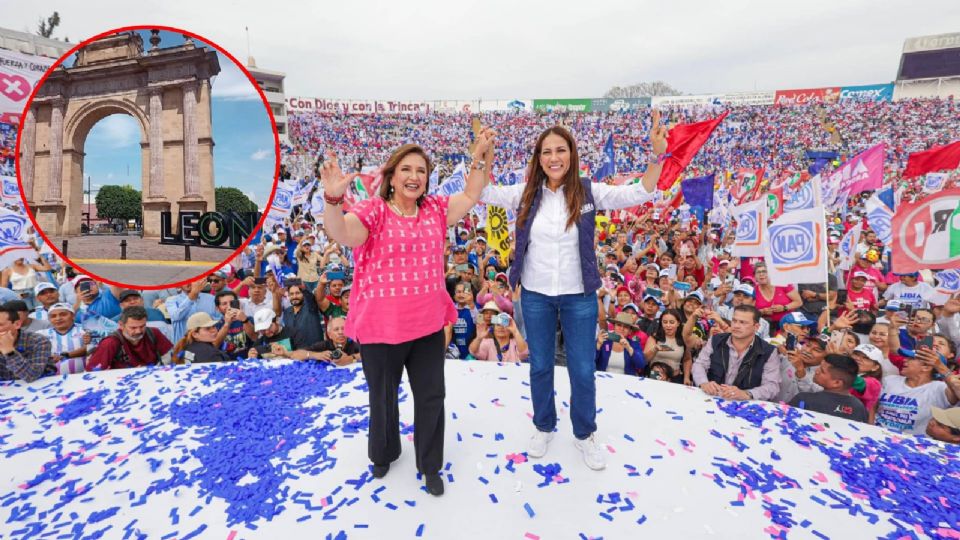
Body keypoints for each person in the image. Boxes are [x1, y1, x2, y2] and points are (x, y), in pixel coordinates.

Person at [478, 113, 666, 471]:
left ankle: (584, 433)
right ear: (538, 157)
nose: (553, 157)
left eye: (560, 150)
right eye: (546, 151)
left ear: (572, 154)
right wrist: (484, 156)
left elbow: (641, 192)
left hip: (579, 295)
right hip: (535, 294)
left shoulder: (588, 191)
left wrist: (656, 156)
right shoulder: (524, 193)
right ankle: (544, 425)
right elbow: (483, 191)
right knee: (540, 365)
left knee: (581, 368)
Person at [321, 131, 495, 495]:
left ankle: (430, 465)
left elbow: (471, 194)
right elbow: (343, 233)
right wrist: (334, 199)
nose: (414, 176)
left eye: (421, 170)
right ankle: (383, 453)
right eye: (406, 169)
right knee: (382, 397)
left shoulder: (434, 209)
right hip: (381, 329)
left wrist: (480, 158)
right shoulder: (375, 210)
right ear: (392, 175)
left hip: (428, 326)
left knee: (431, 396)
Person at [692, 305, 782, 401]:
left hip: (744, 406)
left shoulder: (768, 351)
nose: (736, 326)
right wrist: (704, 383)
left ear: (756, 327)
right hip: (712, 398)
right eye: (734, 321)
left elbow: (772, 385)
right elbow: (699, 364)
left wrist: (747, 393)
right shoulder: (716, 340)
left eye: (743, 322)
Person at [875, 347, 960, 436]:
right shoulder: (889, 380)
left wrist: (940, 367)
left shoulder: (940, 389)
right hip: (876, 435)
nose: (905, 360)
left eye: (911, 359)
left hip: (911, 445)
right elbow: (872, 406)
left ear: (926, 367)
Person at [85, 306, 174, 371]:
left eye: (142, 326)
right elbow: (92, 372)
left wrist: (157, 369)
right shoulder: (110, 343)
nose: (139, 331)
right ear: (121, 325)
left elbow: (169, 356)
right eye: (133, 328)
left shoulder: (153, 332)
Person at [789, 354, 869, 423]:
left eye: (822, 371)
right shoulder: (860, 408)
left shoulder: (803, 399)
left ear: (837, 383)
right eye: (819, 367)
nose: (816, 371)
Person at [0, 302, 55, 382]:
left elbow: (31, 376)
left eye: (0, 325)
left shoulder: (39, 341)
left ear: (17, 324)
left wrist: (9, 352)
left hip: (41, 387)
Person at [36, 303, 91, 375]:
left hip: (84, 377)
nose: (58, 318)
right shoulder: (41, 334)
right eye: (53, 316)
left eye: (63, 314)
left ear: (73, 316)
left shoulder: (85, 329)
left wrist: (65, 355)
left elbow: (92, 348)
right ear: (49, 319)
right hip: (51, 380)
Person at [289, 316, 360, 366]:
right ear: (329, 334)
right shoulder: (324, 346)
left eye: (343, 329)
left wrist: (351, 358)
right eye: (336, 329)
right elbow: (295, 354)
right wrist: (316, 355)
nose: (340, 332)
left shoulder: (354, 344)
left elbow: (369, 354)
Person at [643, 308, 687, 383]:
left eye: (672, 322)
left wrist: (686, 377)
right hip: (655, 375)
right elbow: (645, 359)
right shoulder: (654, 337)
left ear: (678, 323)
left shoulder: (683, 339)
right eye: (665, 322)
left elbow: (687, 359)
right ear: (661, 323)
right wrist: (654, 349)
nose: (668, 325)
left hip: (675, 378)